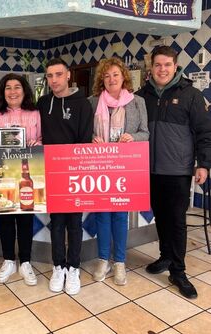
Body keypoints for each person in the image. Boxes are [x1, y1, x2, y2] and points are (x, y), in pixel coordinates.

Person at [137, 46, 211, 299]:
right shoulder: (141, 96)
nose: (162, 69)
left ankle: (178, 271)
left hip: (178, 170)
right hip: (150, 170)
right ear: (151, 67)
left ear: (175, 66)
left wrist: (204, 164)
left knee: (178, 221)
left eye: (167, 64)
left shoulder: (191, 95)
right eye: (158, 65)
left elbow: (204, 132)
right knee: (160, 216)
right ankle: (165, 257)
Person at [88, 57, 149, 285]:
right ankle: (103, 259)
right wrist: (91, 139)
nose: (111, 79)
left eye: (115, 74)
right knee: (102, 214)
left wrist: (133, 137)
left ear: (123, 76)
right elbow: (84, 133)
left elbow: (146, 133)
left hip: (125, 168)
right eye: (106, 75)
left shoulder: (137, 102)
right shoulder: (92, 102)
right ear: (101, 80)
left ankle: (120, 262)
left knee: (121, 216)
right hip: (99, 166)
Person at [37, 58, 93, 295]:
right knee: (57, 223)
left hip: (75, 173)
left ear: (68, 75)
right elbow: (36, 132)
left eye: (58, 74)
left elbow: (85, 139)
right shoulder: (43, 103)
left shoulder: (83, 104)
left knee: (74, 224)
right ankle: (58, 266)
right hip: (50, 173)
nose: (54, 80)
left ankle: (74, 268)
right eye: (50, 76)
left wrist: (75, 169)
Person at [0, 73, 42, 286]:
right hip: (3, 174)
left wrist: (38, 145)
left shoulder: (35, 113)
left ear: (24, 90)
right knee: (5, 218)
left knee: (26, 218)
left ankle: (25, 261)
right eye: (8, 87)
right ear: (2, 91)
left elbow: (43, 140)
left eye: (17, 87)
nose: (13, 91)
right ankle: (8, 260)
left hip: (28, 173)